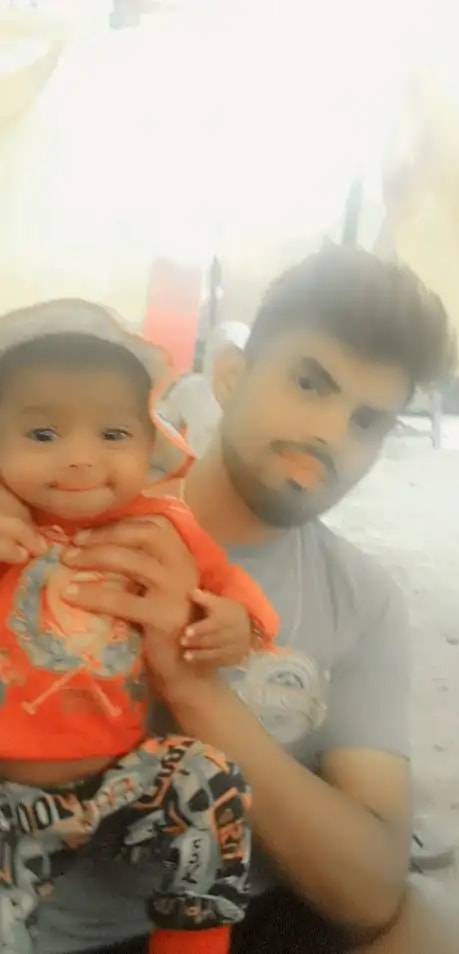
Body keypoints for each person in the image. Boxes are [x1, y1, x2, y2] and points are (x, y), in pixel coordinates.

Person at [0, 244, 459, 954]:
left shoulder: (363, 601)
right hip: (55, 916)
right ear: (229, 376)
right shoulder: (57, 501)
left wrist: (195, 686)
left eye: (368, 421)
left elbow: (372, 892)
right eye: (309, 383)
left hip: (250, 905)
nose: (330, 434)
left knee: (443, 926)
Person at [0, 300, 280, 954]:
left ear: (150, 445)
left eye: (112, 434)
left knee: (211, 781)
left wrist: (236, 624)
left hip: (122, 779)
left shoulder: (162, 528)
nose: (80, 459)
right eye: (43, 433)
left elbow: (229, 586)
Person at [163, 321, 250, 457]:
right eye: (223, 355)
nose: (228, 365)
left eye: (237, 358)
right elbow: (167, 424)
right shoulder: (189, 389)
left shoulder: (251, 402)